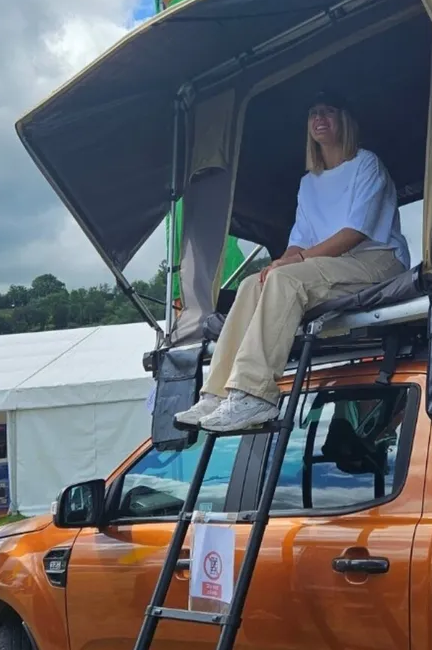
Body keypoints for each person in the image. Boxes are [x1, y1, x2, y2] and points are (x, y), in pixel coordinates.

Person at [175, 93, 410, 434]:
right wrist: (279, 263)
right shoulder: (308, 183)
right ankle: (216, 393)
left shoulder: (366, 164)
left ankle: (254, 395)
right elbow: (300, 239)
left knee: (286, 281)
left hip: (376, 261)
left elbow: (353, 233)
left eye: (329, 111)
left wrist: (292, 264)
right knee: (252, 283)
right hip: (329, 265)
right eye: (314, 113)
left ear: (345, 120)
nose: (320, 119)